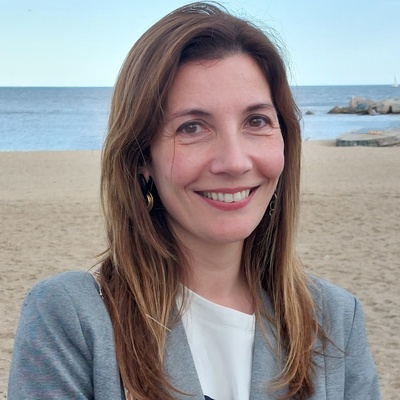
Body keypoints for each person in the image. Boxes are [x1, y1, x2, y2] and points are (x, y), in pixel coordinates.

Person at [8, 2, 380, 399]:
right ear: (141, 158)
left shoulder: (334, 319)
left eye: (256, 121)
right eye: (192, 127)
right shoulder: (74, 318)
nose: (235, 162)